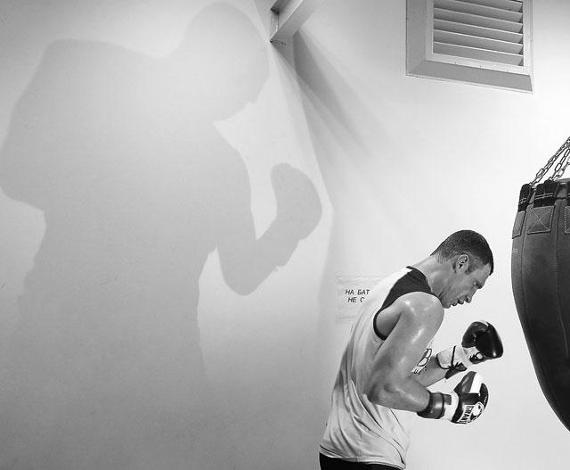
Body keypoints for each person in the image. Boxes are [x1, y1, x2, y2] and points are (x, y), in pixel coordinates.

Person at [319, 230, 503, 469]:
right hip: (370, 455)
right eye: (475, 285)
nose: (470, 298)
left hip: (338, 449)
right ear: (461, 263)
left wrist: (461, 356)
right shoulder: (426, 306)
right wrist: (453, 407)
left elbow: (397, 377)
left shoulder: (391, 286)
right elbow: (384, 388)